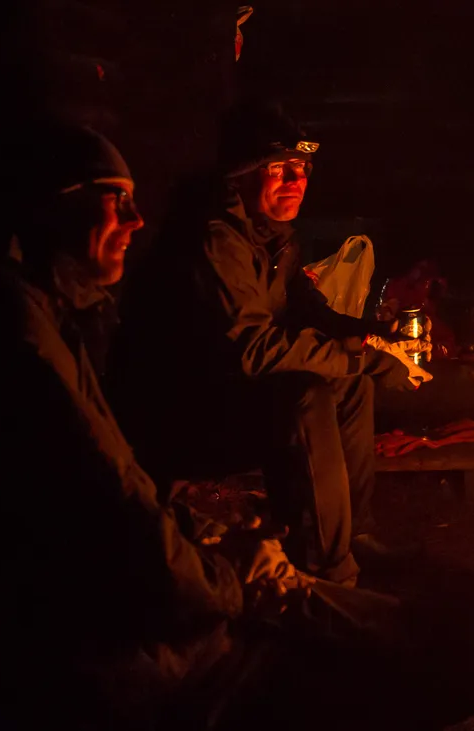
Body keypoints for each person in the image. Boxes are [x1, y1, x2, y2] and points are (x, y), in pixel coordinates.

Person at [0, 120, 247, 728]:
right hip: (68, 642)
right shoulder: (19, 330)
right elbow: (110, 499)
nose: (136, 222)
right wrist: (221, 582)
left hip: (84, 604)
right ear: (59, 206)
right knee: (279, 621)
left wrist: (188, 526)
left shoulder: (55, 311)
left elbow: (122, 484)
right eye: (117, 201)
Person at [109, 100, 418, 588]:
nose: (296, 182)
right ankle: (327, 572)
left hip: (225, 395)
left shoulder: (271, 236)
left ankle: (352, 537)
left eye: (302, 169)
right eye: (279, 170)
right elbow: (249, 347)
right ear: (242, 175)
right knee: (305, 396)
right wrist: (349, 355)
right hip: (178, 415)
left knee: (352, 387)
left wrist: (373, 342)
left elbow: (307, 311)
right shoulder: (215, 238)